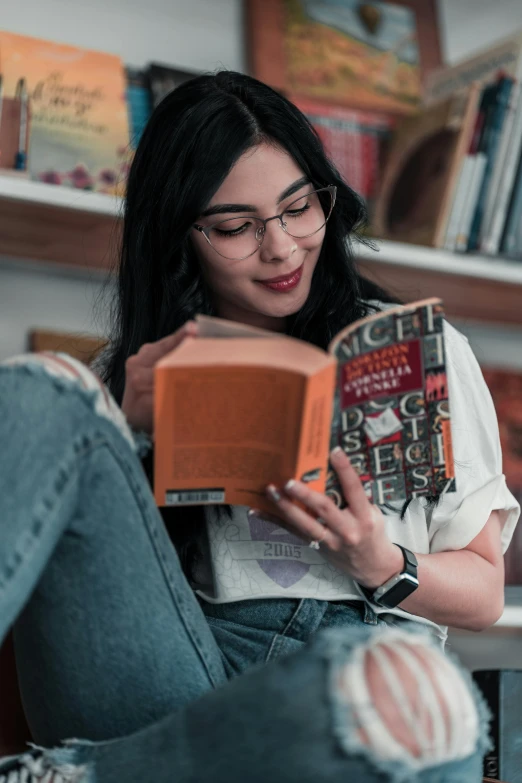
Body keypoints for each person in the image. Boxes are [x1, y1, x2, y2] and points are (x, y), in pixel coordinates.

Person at [0, 70, 516, 782]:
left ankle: (94, 773)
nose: (281, 248)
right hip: (185, 669)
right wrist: (129, 423)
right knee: (46, 388)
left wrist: (378, 561)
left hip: (352, 663)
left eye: (300, 207)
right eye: (237, 227)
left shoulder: (422, 351)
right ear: (179, 234)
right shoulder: (144, 368)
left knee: (425, 707)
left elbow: (486, 591)